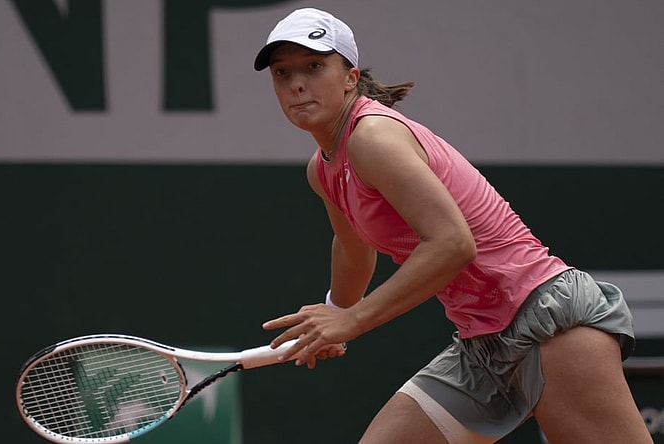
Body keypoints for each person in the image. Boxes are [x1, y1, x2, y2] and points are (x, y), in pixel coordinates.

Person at [254, 7, 653, 444]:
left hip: (547, 320)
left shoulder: (372, 138)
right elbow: (352, 248)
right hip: (481, 342)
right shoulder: (323, 168)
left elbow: (452, 243)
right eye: (282, 72)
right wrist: (334, 313)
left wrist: (353, 322)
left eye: (314, 67)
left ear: (350, 77)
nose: (296, 84)